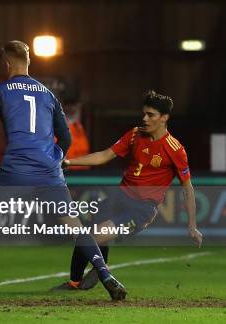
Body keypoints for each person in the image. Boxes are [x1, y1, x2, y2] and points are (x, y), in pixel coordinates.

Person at [0, 40, 126, 300]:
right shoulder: (48, 94)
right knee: (76, 226)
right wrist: (56, 157)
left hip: (15, 168)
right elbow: (67, 139)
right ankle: (106, 274)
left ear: (6, 64)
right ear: (29, 62)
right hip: (49, 170)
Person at [52, 90, 203, 291]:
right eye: (144, 113)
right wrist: (69, 162)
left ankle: (98, 270)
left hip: (141, 210)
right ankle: (77, 281)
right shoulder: (135, 134)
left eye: (150, 115)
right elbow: (104, 155)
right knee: (84, 234)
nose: (144, 118)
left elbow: (187, 188)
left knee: (94, 236)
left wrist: (192, 225)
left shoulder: (175, 150)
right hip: (119, 196)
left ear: (164, 118)